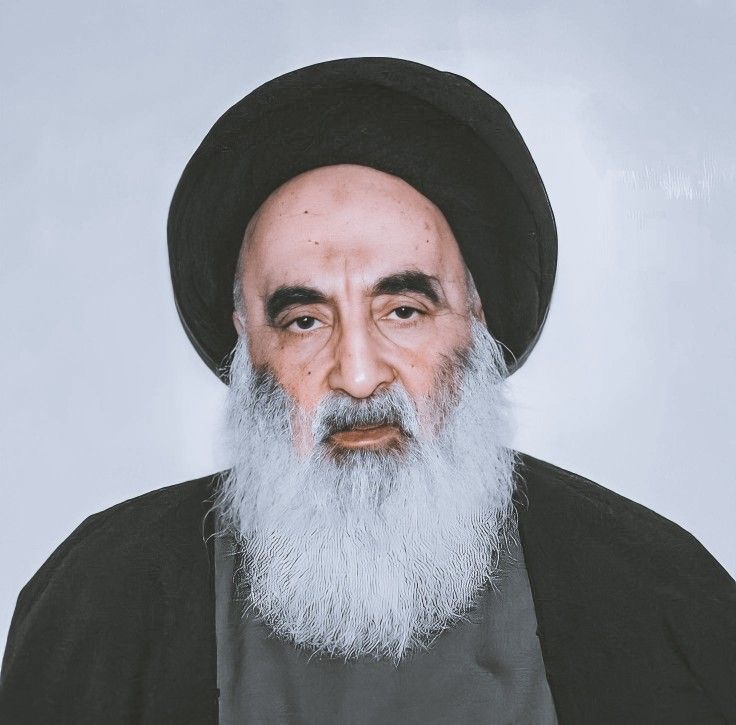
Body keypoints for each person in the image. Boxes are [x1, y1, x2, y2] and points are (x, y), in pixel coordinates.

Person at [1, 57, 734, 725]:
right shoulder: (98, 603)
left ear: (476, 321)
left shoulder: (661, 597)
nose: (357, 375)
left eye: (403, 310)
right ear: (246, 344)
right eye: (304, 320)